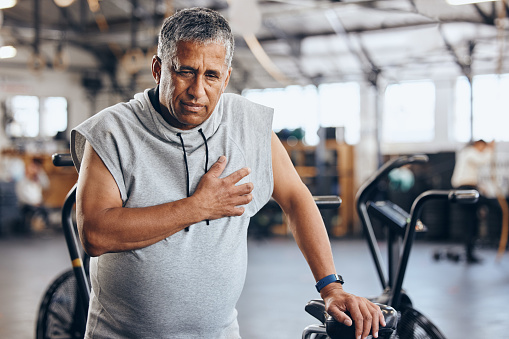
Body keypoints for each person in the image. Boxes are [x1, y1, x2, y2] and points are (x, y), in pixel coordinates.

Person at [71, 7, 385, 339]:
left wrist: (330, 286)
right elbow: (96, 234)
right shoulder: (111, 131)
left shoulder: (248, 125)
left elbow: (296, 199)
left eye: (211, 75)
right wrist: (198, 207)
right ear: (158, 69)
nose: (197, 91)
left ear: (227, 76)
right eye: (185, 72)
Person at [451, 139, 495, 263]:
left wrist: (480, 187)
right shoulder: (469, 152)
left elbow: (470, 177)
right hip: (465, 190)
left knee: (472, 221)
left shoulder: (468, 155)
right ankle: (469, 253)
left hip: (469, 188)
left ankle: (470, 252)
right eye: (482, 147)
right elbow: (482, 160)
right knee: (470, 221)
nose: (482, 149)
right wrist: (490, 149)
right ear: (477, 145)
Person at [15, 157, 50, 233]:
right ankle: (33, 227)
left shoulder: (36, 181)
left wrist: (40, 172)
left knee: (46, 210)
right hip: (26, 204)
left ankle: (43, 227)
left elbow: (46, 184)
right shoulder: (22, 182)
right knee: (37, 210)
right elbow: (22, 196)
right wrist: (33, 203)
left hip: (37, 203)